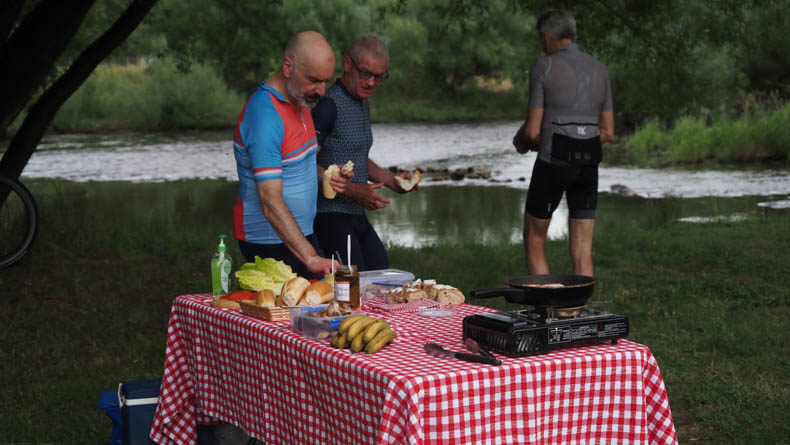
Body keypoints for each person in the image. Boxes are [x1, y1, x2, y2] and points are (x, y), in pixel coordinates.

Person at [232, 31, 347, 279]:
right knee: (302, 315)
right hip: (267, 243)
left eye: (325, 81)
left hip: (298, 235)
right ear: (287, 67)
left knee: (328, 306)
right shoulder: (265, 116)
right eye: (314, 80)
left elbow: (296, 165)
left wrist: (325, 175)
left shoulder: (300, 99)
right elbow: (269, 200)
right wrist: (310, 256)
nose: (322, 91)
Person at [512, 9, 614, 277]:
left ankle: (549, 310)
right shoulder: (600, 70)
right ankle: (578, 314)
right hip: (589, 163)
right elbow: (608, 131)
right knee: (582, 248)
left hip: (553, 163)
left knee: (535, 239)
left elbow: (533, 131)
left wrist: (521, 142)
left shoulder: (543, 66)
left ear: (547, 37)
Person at [311, 35, 415, 271]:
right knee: (351, 288)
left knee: (382, 279)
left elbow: (354, 155)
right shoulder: (328, 105)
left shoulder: (361, 103)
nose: (371, 83)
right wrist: (352, 190)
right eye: (366, 73)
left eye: (379, 76)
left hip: (356, 215)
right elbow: (302, 162)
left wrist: (390, 180)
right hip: (328, 215)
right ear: (348, 64)